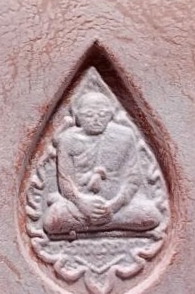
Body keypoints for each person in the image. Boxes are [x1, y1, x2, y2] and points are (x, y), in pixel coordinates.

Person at [43, 91, 162, 236]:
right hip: (79, 205)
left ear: (111, 115)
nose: (96, 120)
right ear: (77, 116)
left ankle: (94, 225)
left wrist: (113, 206)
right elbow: (65, 181)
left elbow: (133, 178)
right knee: (52, 221)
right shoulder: (68, 139)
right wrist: (82, 204)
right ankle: (109, 225)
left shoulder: (124, 136)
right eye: (89, 115)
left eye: (102, 114)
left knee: (151, 215)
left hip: (118, 205)